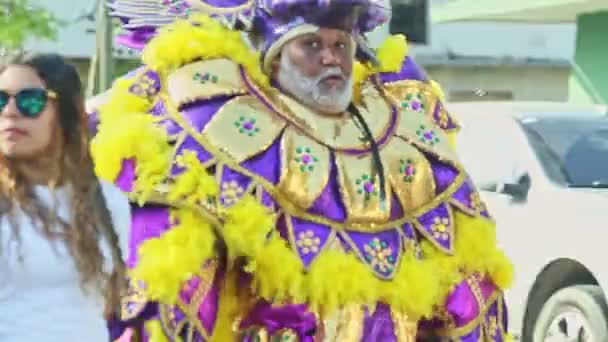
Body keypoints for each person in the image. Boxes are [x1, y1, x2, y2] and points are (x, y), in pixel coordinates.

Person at [93, 1, 514, 340]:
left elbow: (465, 271)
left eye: (341, 45)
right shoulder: (216, 127)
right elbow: (176, 284)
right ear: (273, 58)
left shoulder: (402, 130)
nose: (331, 58)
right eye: (311, 45)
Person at [0, 53, 130, 341]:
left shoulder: (110, 202)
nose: (10, 112)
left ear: (68, 115)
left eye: (30, 100)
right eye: (0, 100)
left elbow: (101, 306)